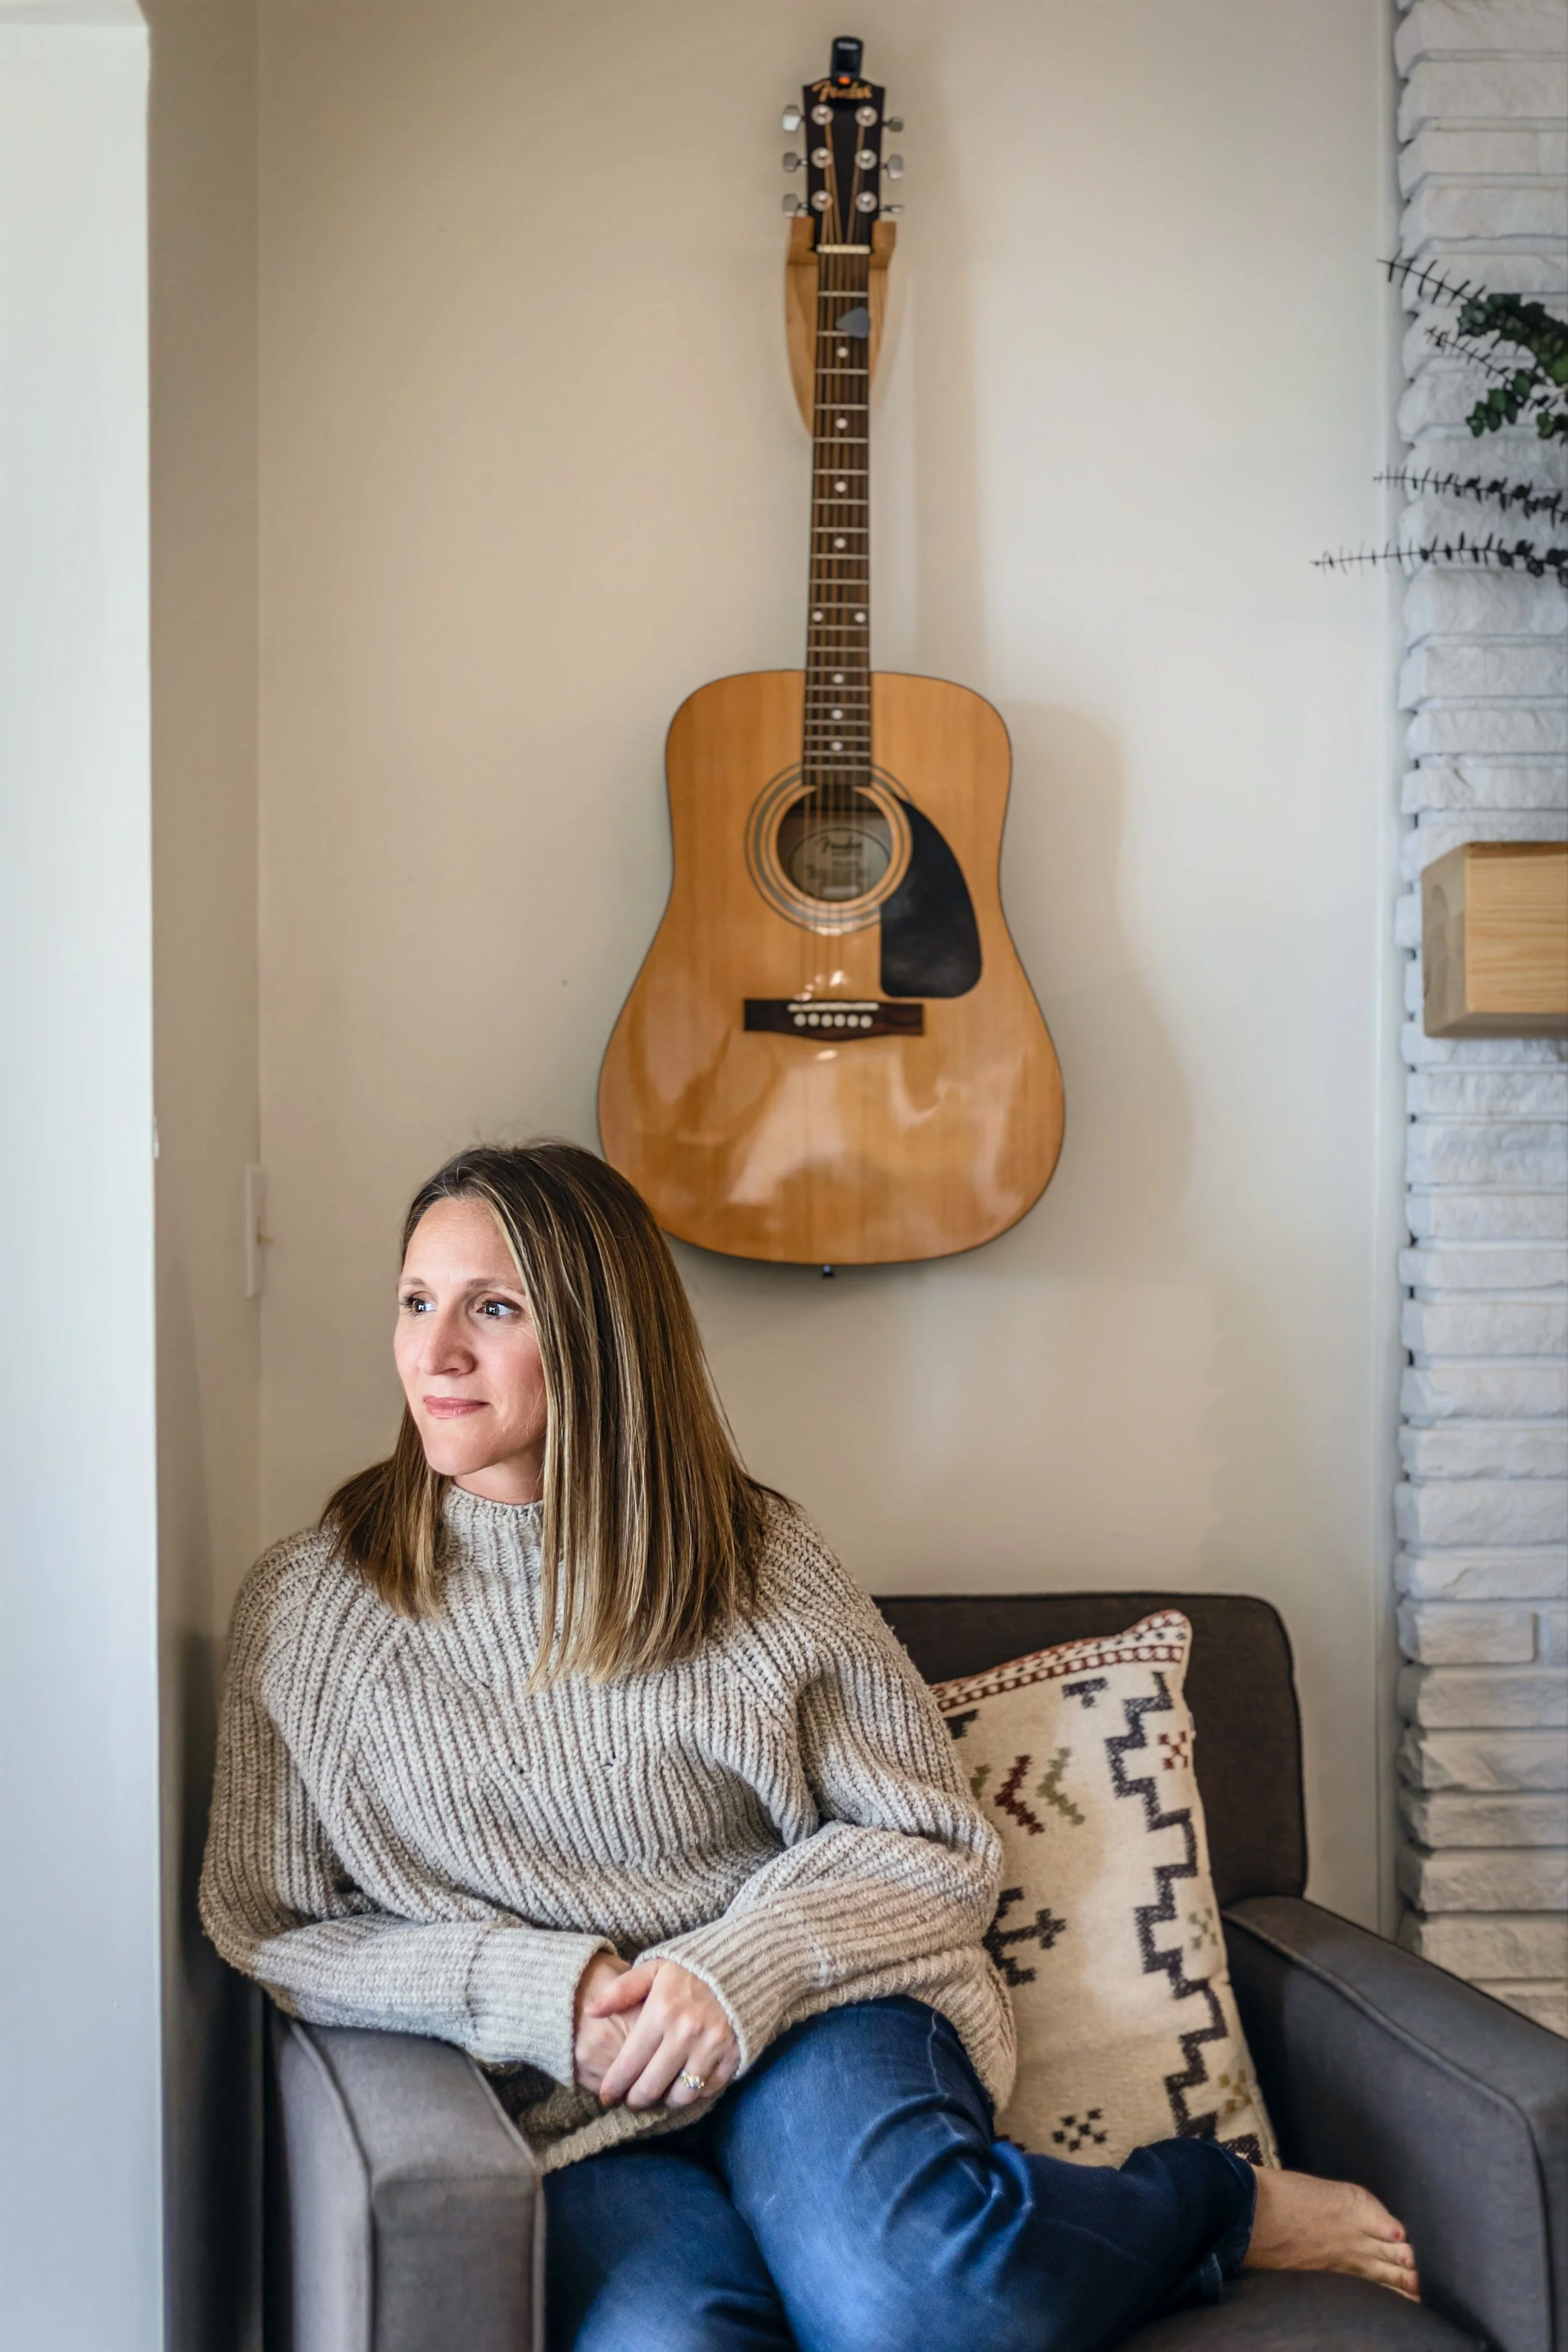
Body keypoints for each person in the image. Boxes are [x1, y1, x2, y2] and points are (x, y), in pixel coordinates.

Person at [201, 1142, 1420, 2351]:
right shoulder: (310, 1612)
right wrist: (540, 1993)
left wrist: (736, 1969)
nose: (436, 1351)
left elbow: (932, 1841)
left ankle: (1213, 2203)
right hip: (569, 2100)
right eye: (416, 1302)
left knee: (920, 2301)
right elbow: (272, 1925)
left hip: (813, 2022)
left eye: (492, 1308)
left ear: (596, 1336)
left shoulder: (751, 1561)